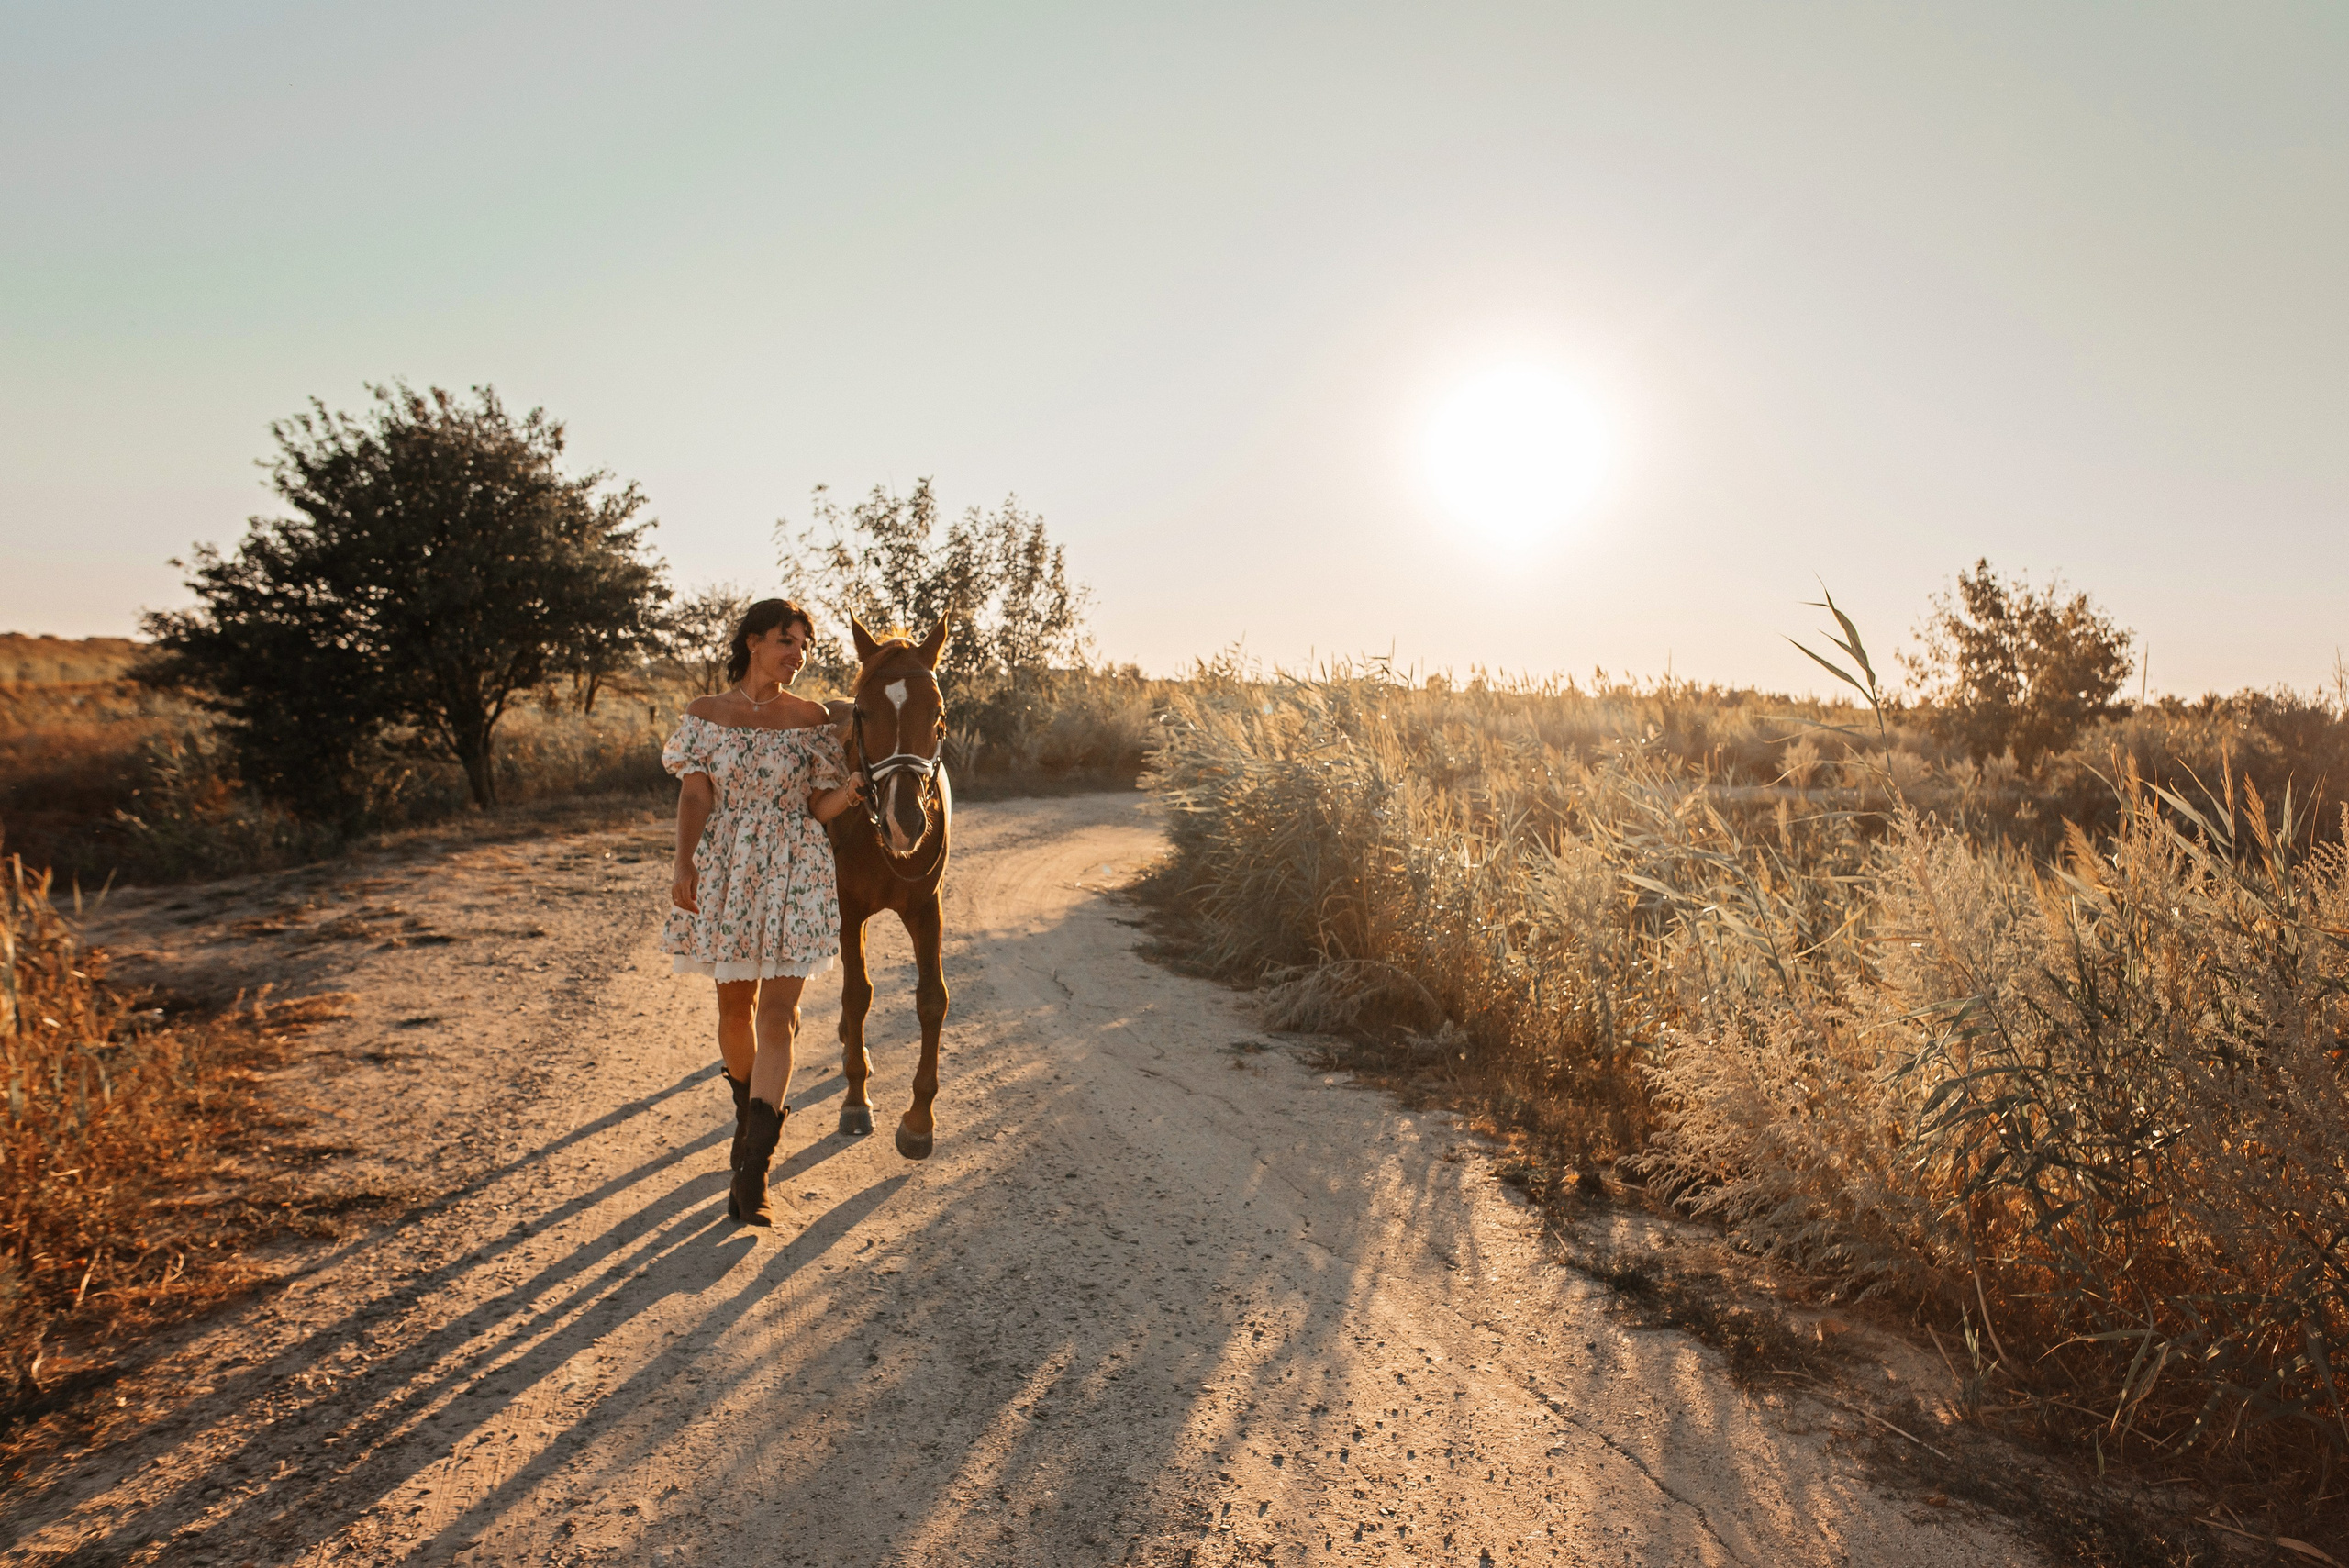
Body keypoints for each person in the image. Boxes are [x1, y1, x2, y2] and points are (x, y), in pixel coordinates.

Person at [662, 599, 864, 1226]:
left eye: (803, 646)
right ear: (752, 641)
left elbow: (817, 807)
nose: (796, 655)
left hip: (796, 872)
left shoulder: (810, 719)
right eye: (785, 641)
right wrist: (684, 862)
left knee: (780, 1015)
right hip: (728, 868)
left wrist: (851, 791)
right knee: (734, 1011)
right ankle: (751, 1114)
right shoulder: (705, 716)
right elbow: (696, 792)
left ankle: (755, 1170)